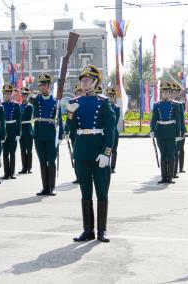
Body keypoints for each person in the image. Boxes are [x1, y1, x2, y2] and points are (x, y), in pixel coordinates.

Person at [68, 65, 116, 242]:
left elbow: (110, 130)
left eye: (87, 80)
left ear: (96, 82)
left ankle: (101, 230)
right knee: (85, 192)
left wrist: (106, 152)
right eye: (82, 80)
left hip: (98, 152)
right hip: (81, 152)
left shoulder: (103, 103)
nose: (84, 82)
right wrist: (70, 114)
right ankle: (88, 229)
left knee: (102, 192)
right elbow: (70, 129)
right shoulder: (76, 102)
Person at [29, 73, 63, 196]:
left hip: (51, 135)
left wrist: (60, 136)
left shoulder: (55, 101)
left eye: (44, 85)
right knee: (42, 161)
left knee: (51, 161)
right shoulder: (36, 99)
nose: (42, 87)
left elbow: (59, 120)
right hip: (38, 134)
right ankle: (45, 188)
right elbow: (31, 100)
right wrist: (31, 96)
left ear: (49, 86)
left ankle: (52, 187)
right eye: (41, 85)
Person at [150, 82, 181, 184]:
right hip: (161, 131)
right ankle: (164, 177)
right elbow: (154, 119)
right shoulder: (156, 105)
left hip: (171, 131)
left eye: (167, 92)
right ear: (161, 93)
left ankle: (170, 177)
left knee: (171, 154)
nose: (165, 94)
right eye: (163, 92)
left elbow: (178, 120)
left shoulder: (174, 105)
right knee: (163, 154)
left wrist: (178, 134)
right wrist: (152, 130)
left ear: (169, 92)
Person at [64, 83, 84, 183]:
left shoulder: (85, 104)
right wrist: (66, 131)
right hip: (74, 134)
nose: (78, 94)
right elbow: (68, 120)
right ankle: (78, 176)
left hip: (85, 135)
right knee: (76, 156)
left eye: (80, 92)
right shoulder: (72, 105)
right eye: (77, 93)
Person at [1, 83, 21, 179]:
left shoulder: (15, 105)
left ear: (11, 94)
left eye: (8, 94)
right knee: (5, 153)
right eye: (5, 94)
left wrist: (18, 133)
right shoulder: (0, 106)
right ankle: (6, 173)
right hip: (4, 130)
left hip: (13, 129)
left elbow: (19, 120)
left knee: (12, 153)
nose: (6, 95)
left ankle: (12, 173)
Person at [18, 87, 34, 174]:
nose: (23, 97)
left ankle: (29, 167)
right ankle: (24, 167)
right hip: (21, 130)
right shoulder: (19, 106)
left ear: (27, 96)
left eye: (25, 95)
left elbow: (25, 117)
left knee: (29, 150)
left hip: (28, 129)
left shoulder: (30, 106)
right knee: (22, 150)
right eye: (22, 95)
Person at [105, 87, 120, 173]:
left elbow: (115, 121)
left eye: (111, 96)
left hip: (114, 132)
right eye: (108, 96)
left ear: (114, 97)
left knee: (113, 150)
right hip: (105, 132)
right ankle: (106, 166)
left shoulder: (116, 108)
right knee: (107, 149)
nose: (109, 98)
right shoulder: (103, 107)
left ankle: (112, 167)